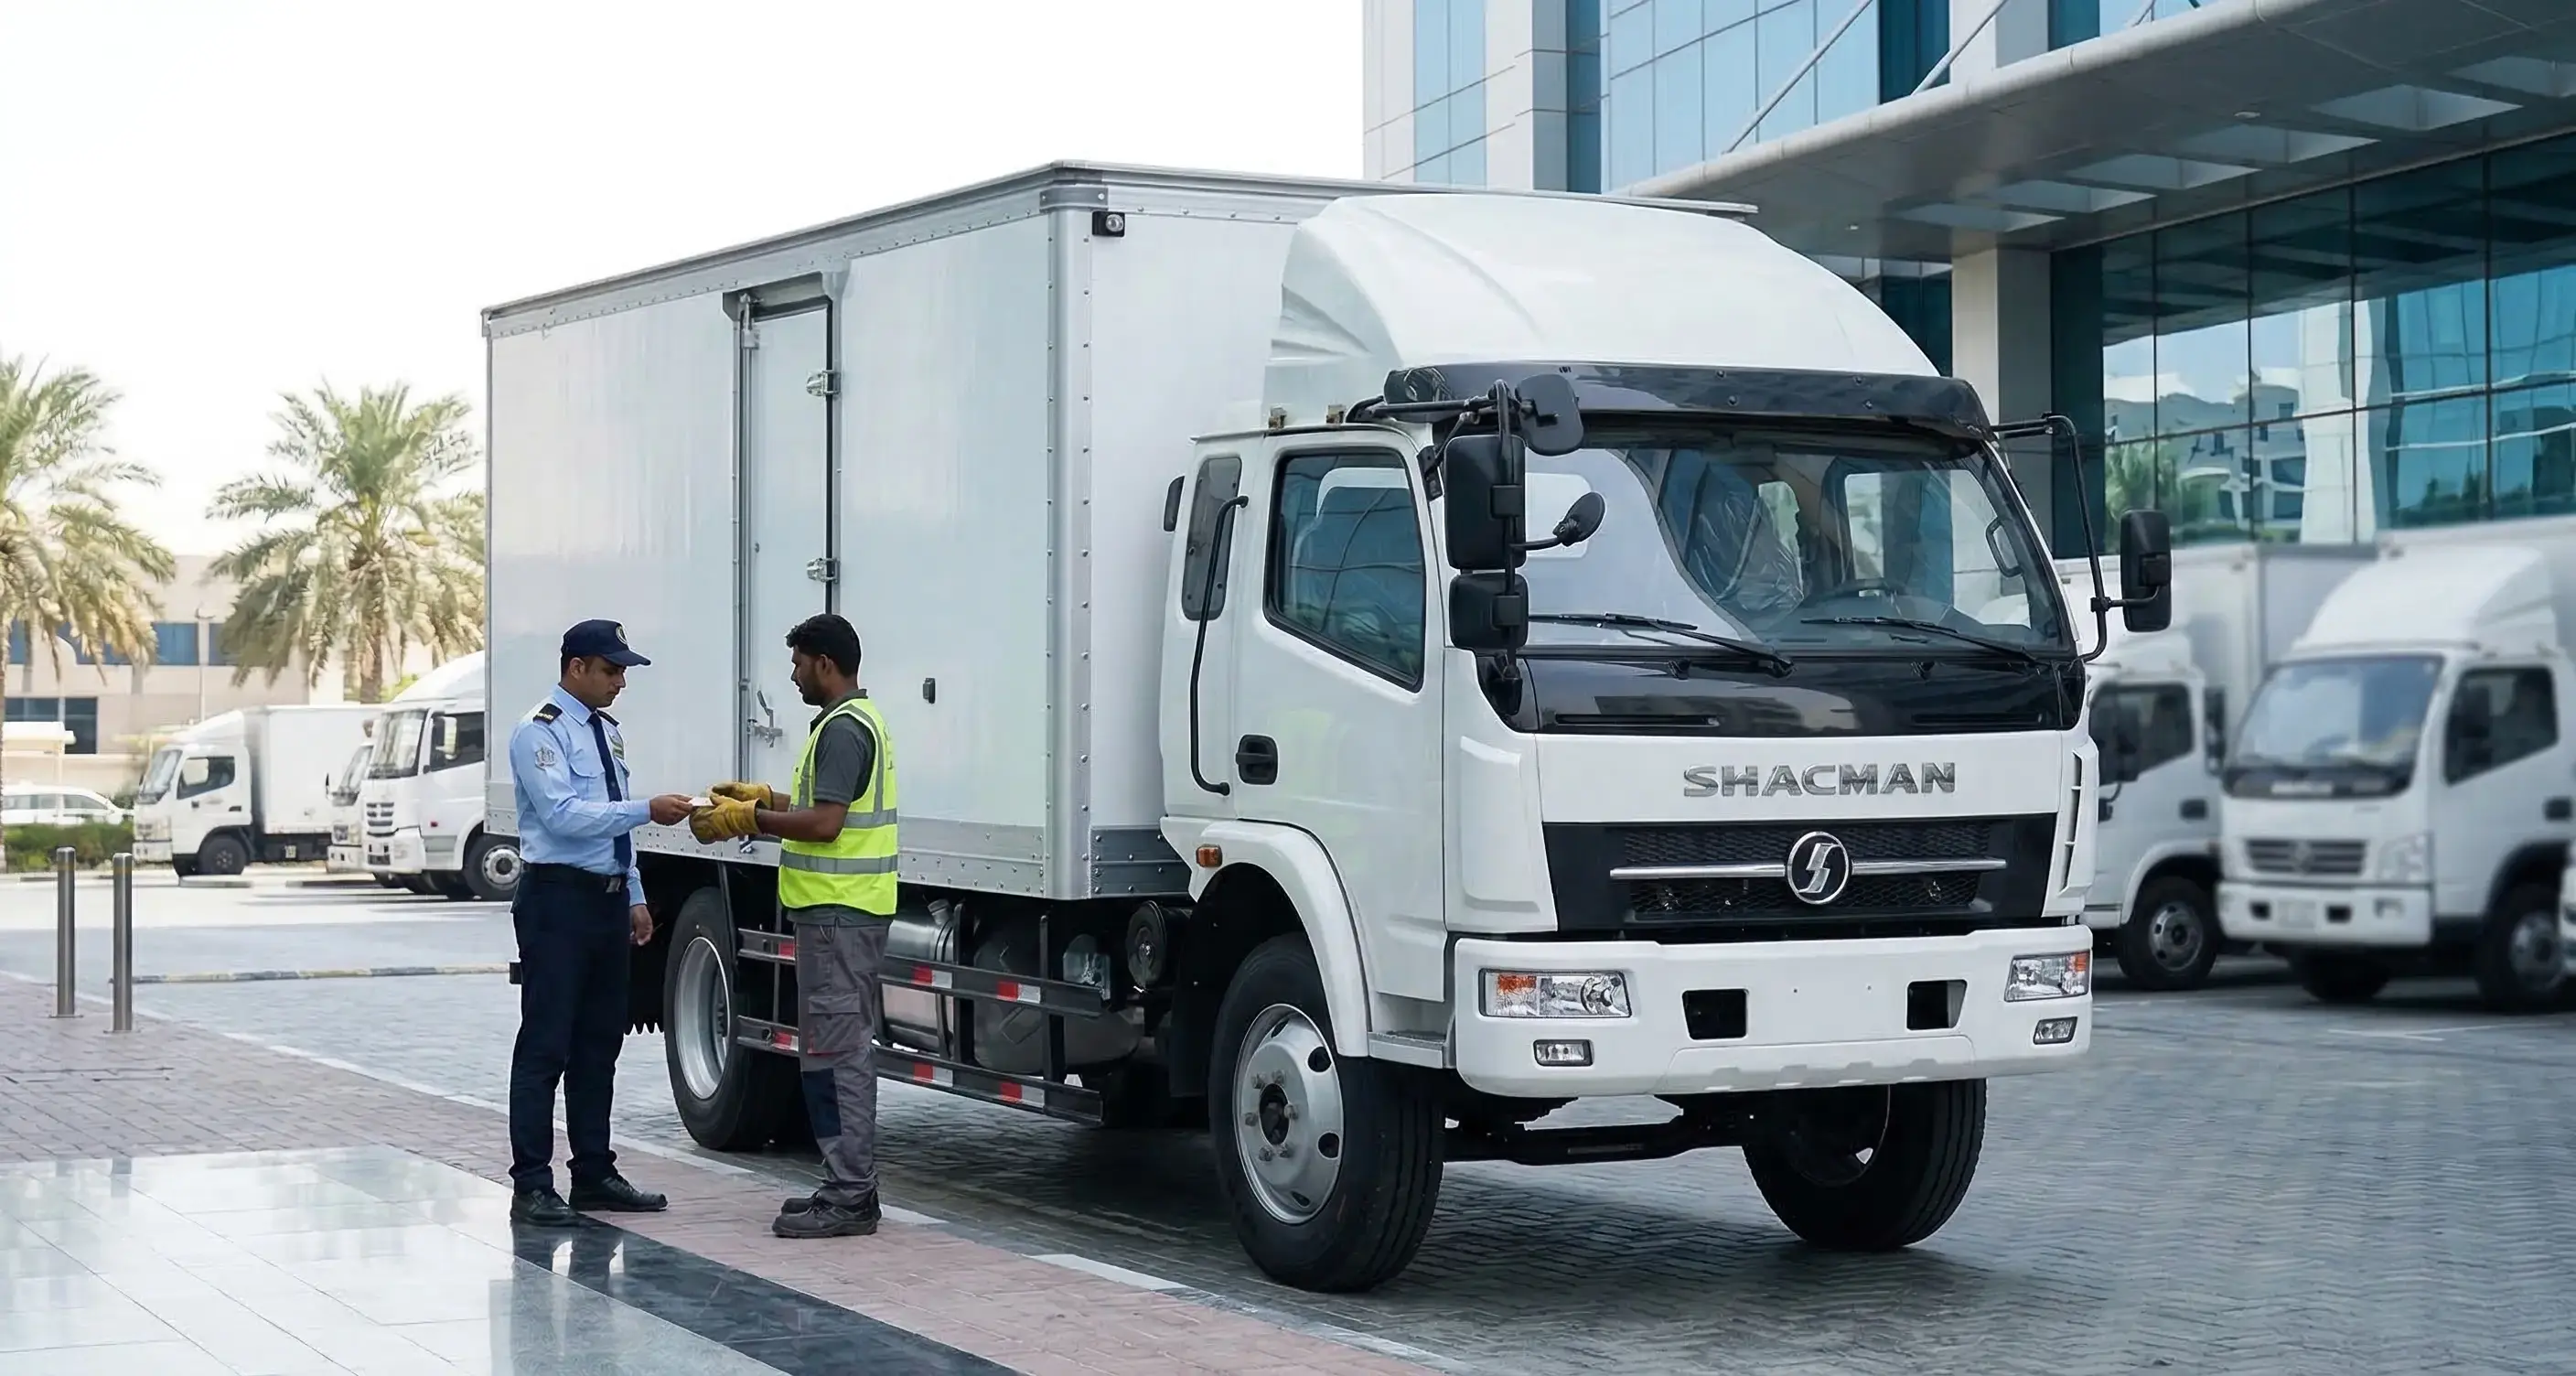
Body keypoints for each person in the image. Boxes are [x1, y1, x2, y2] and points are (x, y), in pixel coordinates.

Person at [691, 612, 893, 1240]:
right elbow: (818, 807)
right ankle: (845, 1185)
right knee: (829, 1053)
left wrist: (748, 819)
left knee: (838, 1055)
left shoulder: (841, 730)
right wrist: (765, 799)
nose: (794, 674)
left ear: (824, 664)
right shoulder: (850, 722)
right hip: (838, 915)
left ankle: (851, 1194)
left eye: (799, 662)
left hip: (838, 915)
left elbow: (827, 824)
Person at [506, 618, 695, 1227]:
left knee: (598, 1046)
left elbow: (614, 828)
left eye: (623, 672)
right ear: (576, 667)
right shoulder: (539, 733)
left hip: (605, 902)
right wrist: (648, 809)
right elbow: (563, 816)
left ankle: (593, 1173)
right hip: (557, 902)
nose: (620, 683)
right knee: (546, 1045)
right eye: (611, 671)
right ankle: (531, 1184)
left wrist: (634, 894)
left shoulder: (605, 735)